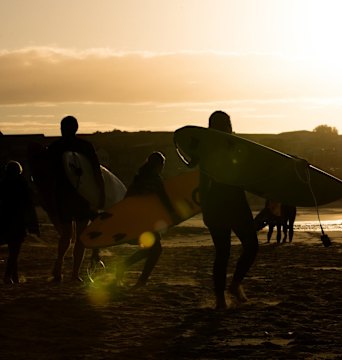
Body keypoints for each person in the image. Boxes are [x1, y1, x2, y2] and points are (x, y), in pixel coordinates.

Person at [193, 111, 259, 309]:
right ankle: (230, 289)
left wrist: (205, 208)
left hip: (219, 204)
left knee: (226, 252)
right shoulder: (221, 148)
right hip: (230, 203)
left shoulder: (212, 149)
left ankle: (226, 294)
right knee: (246, 247)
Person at [47, 115, 105, 282]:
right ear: (76, 128)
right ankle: (74, 274)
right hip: (82, 195)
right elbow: (96, 172)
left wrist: (49, 200)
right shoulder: (85, 146)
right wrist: (101, 195)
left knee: (66, 235)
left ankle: (58, 268)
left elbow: (48, 175)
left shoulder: (55, 147)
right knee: (81, 236)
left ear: (61, 128)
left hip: (62, 196)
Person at [116, 152, 179, 288]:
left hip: (137, 219)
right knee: (155, 250)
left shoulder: (139, 178)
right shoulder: (154, 179)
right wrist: (174, 214)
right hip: (145, 221)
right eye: (162, 165)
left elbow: (128, 197)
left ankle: (125, 268)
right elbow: (164, 199)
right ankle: (140, 280)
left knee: (151, 249)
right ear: (158, 165)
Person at [0, 161, 40, 284]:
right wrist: (33, 226)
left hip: (4, 222)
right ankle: (8, 277)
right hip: (17, 223)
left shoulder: (2, 184)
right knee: (14, 252)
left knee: (13, 252)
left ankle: (14, 277)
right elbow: (29, 206)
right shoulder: (22, 185)